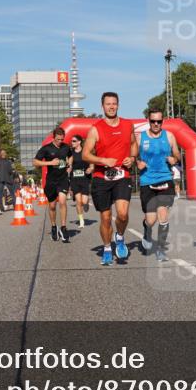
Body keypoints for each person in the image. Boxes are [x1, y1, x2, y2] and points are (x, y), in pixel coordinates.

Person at [82, 92, 137, 266]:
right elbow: (85, 154)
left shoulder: (128, 125)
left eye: (114, 103)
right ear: (102, 106)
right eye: (108, 104)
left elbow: (134, 144)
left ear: (118, 105)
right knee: (105, 218)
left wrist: (133, 158)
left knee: (122, 214)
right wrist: (102, 160)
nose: (111, 107)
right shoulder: (95, 129)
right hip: (101, 177)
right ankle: (107, 248)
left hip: (122, 175)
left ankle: (119, 237)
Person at [137, 109, 180, 262]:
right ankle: (147, 230)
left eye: (159, 121)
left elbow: (177, 154)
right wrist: (137, 163)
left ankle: (161, 249)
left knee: (163, 216)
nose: (156, 124)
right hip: (147, 181)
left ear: (163, 121)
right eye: (153, 121)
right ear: (148, 120)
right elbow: (131, 155)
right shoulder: (139, 137)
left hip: (165, 179)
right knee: (151, 220)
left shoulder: (169, 136)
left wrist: (174, 159)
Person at [34, 128, 72, 243]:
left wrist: (69, 165)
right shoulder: (46, 149)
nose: (60, 141)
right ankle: (54, 226)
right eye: (58, 139)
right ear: (53, 137)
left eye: (62, 139)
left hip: (63, 179)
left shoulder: (66, 147)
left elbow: (70, 156)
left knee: (62, 201)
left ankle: (64, 228)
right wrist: (50, 163)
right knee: (52, 206)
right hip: (51, 181)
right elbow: (35, 162)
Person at [69, 135, 93, 229]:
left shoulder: (85, 152)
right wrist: (69, 168)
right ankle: (81, 220)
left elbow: (91, 162)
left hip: (85, 179)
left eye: (74, 141)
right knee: (78, 201)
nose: (72, 142)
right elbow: (69, 164)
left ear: (79, 142)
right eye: (72, 141)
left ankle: (86, 202)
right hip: (74, 179)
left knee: (83, 201)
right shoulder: (70, 153)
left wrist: (90, 168)